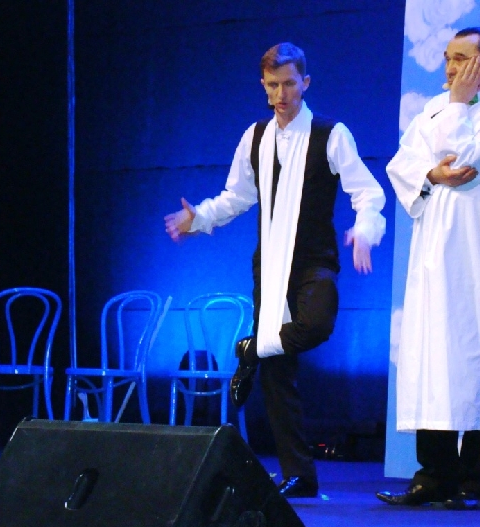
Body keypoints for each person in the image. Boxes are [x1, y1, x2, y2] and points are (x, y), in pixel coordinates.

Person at [165, 42, 386, 498]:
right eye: (272, 85)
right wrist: (198, 218)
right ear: (263, 86)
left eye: (288, 84)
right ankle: (299, 474)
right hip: (269, 264)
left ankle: (252, 349)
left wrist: (365, 229)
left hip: (314, 259)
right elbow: (237, 196)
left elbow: (366, 191)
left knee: (317, 324)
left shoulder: (330, 134)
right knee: (278, 373)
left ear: (306, 82)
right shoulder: (256, 136)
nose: (281, 94)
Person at [377, 27, 480, 510]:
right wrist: (430, 172)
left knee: (477, 360)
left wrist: (460, 107)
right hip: (432, 253)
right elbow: (403, 164)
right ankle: (434, 475)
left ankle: (474, 482)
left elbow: (465, 161)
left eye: (462, 59)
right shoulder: (435, 107)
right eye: (447, 58)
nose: (450, 68)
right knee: (432, 359)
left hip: (479, 255)